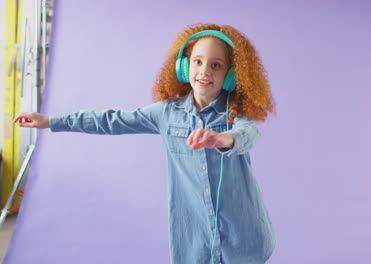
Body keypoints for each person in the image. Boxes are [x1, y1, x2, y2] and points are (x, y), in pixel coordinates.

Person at [14, 23, 275, 264]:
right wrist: (50, 121)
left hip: (243, 235)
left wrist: (223, 139)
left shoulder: (236, 113)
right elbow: (111, 120)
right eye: (198, 61)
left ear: (231, 75)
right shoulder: (166, 113)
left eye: (216, 65)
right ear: (183, 67)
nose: (205, 70)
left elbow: (248, 134)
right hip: (194, 241)